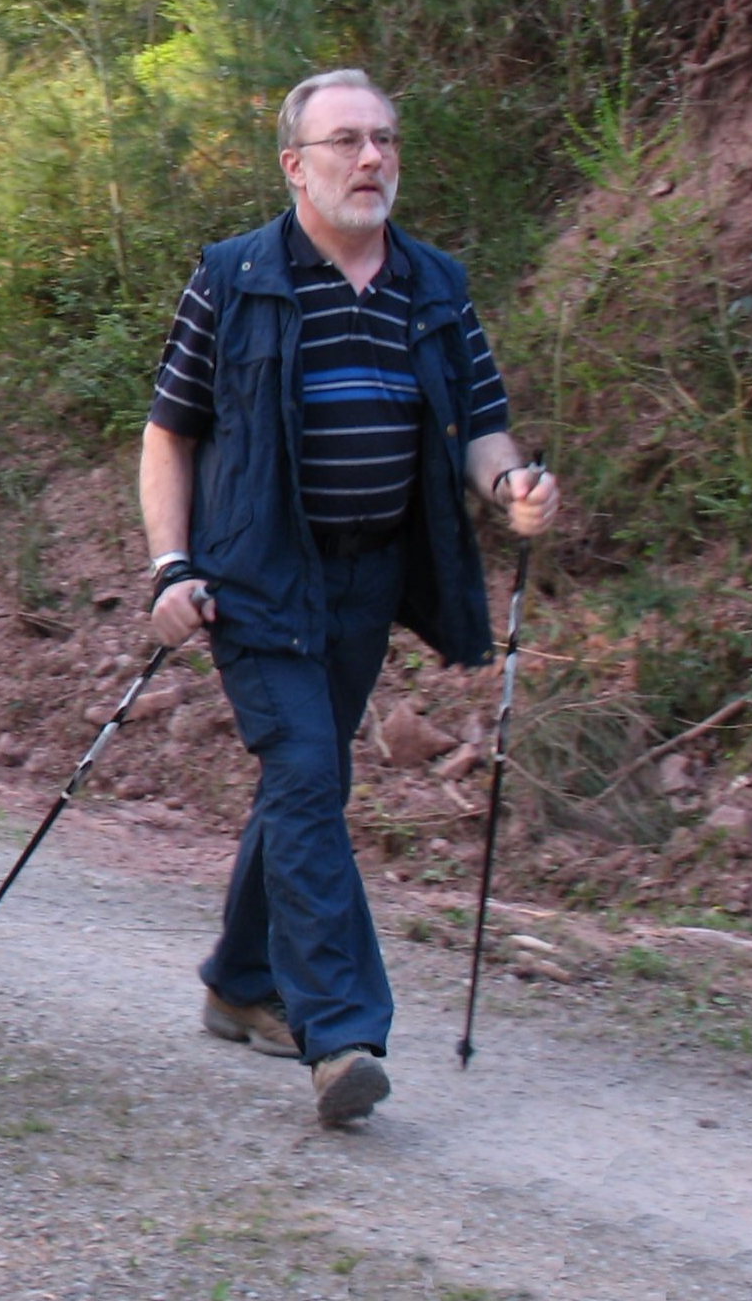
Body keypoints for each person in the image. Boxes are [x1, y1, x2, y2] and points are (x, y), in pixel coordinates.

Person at [140, 68, 559, 1128]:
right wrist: (170, 564)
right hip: (257, 566)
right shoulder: (233, 277)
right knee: (307, 768)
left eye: (383, 139)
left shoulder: (435, 284)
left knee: (304, 786)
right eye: (345, 142)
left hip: (372, 572)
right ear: (294, 164)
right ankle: (341, 1033)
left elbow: (481, 427)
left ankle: (239, 980)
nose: (371, 159)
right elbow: (169, 432)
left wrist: (510, 485)